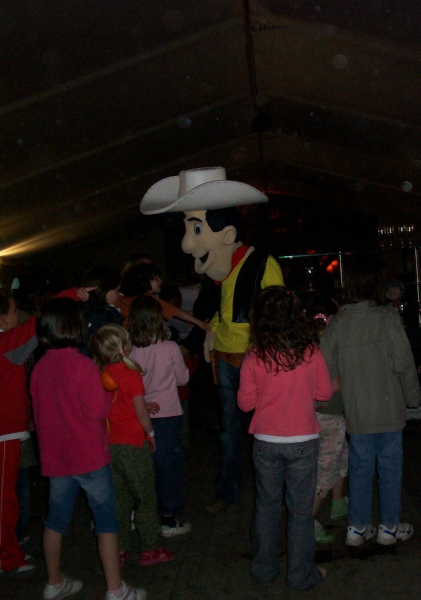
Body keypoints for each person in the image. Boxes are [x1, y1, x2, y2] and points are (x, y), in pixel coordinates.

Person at [141, 166, 284, 514]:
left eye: (197, 229)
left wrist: (263, 348)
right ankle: (229, 492)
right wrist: (212, 330)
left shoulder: (262, 264)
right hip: (226, 360)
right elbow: (228, 310)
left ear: (227, 233)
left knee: (269, 430)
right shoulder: (224, 271)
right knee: (229, 432)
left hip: (256, 361)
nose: (189, 244)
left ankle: (273, 492)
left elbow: (279, 313)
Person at [30, 298, 145, 600]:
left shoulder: (39, 367)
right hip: (90, 457)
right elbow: (96, 411)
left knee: (55, 522)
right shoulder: (81, 365)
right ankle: (115, 589)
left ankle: (54, 582)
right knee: (106, 523)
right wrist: (108, 396)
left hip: (56, 460)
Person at [0, 288, 73, 577]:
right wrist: (73, 294)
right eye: (13, 309)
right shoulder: (2, 342)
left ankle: (1, 551)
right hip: (0, 434)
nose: (18, 314)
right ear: (4, 317)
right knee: (2, 502)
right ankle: (3, 556)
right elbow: (40, 319)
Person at [238, 286, 332, 590]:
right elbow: (324, 393)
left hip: (266, 440)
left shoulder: (254, 354)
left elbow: (245, 404)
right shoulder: (310, 350)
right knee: (300, 512)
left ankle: (263, 570)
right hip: (303, 440)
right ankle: (300, 574)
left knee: (265, 506)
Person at [320, 263, 421, 547]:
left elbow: (324, 369)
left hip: (357, 410)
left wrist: (331, 400)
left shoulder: (338, 323)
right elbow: (403, 361)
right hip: (389, 409)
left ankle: (357, 527)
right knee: (390, 468)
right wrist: (413, 397)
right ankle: (388, 527)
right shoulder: (386, 317)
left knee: (361, 468)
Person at [90, 324, 176, 568]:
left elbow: (111, 405)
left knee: (119, 499)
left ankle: (119, 549)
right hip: (132, 444)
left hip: (109, 445)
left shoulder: (100, 373)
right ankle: (150, 548)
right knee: (145, 498)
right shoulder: (130, 375)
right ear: (123, 347)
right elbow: (139, 410)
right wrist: (150, 433)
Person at [128, 295, 192, 538]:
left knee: (141, 465)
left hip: (138, 413)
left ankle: (136, 513)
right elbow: (182, 378)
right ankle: (168, 518)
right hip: (167, 413)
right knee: (168, 466)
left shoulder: (130, 351)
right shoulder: (170, 348)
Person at [304, 293, 348, 545]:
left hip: (320, 414)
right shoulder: (326, 342)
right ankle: (306, 520)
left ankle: (339, 502)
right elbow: (331, 385)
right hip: (328, 414)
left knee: (341, 455)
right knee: (325, 469)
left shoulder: (309, 340)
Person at [117, 263, 211, 334]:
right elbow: (176, 312)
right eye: (156, 278)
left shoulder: (126, 298)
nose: (160, 281)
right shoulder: (149, 300)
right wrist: (199, 323)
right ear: (144, 281)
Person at [80, 265, 124, 356]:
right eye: (116, 291)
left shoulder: (81, 308)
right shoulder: (106, 315)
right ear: (104, 290)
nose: (120, 295)